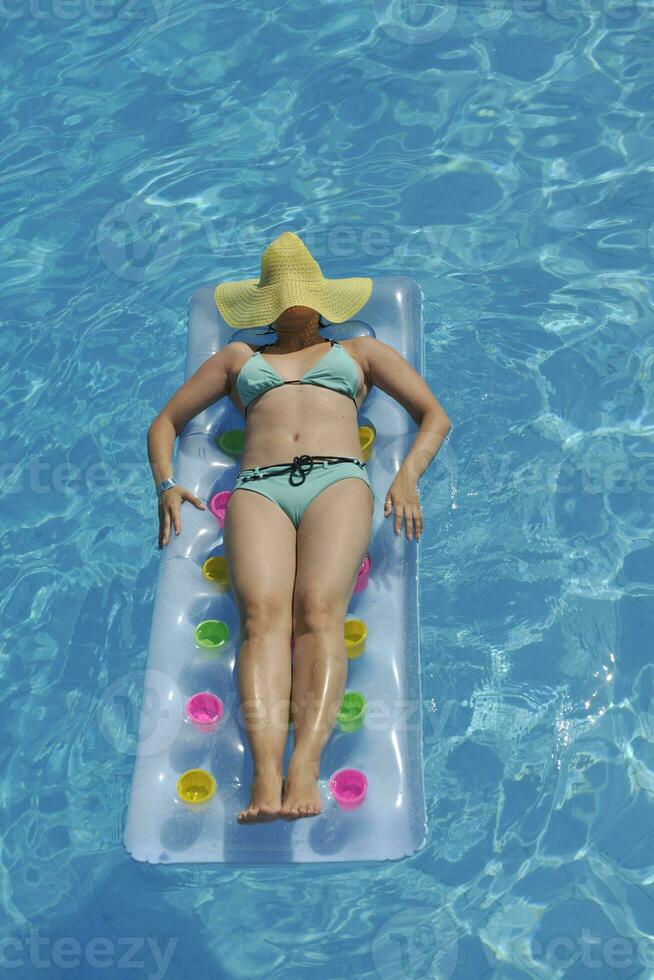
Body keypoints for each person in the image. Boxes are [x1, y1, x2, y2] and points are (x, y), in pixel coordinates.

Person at [147, 232, 452, 824]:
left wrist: (407, 476)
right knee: (261, 619)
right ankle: (265, 773)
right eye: (279, 301)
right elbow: (165, 421)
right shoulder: (239, 359)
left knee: (317, 611)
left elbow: (434, 416)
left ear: (321, 301)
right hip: (258, 485)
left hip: (336, 480)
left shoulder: (359, 351)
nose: (292, 310)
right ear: (263, 307)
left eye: (301, 298)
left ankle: (304, 767)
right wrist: (165, 485)